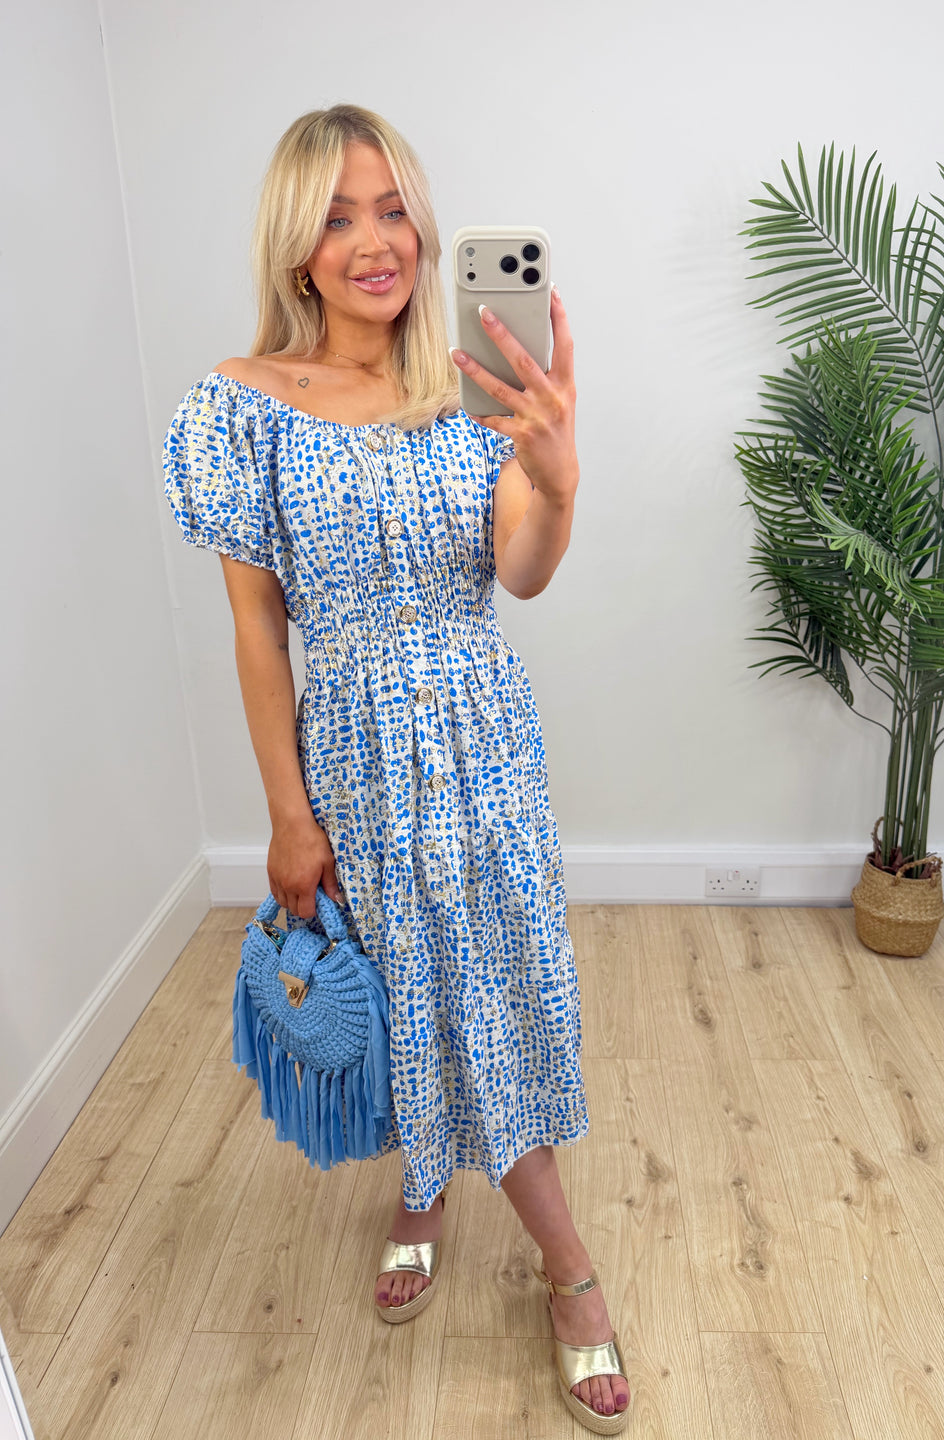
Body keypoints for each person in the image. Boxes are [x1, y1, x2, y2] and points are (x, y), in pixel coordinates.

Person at [160, 104, 631, 1431]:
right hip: (353, 761)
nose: (374, 241)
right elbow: (258, 627)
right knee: (404, 993)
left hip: (482, 747)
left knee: (490, 991)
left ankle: (570, 1268)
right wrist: (285, 813)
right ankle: (422, 1190)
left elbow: (520, 572)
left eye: (392, 210)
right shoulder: (242, 404)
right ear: (295, 247)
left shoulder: (470, 387)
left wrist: (557, 479)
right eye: (337, 217)